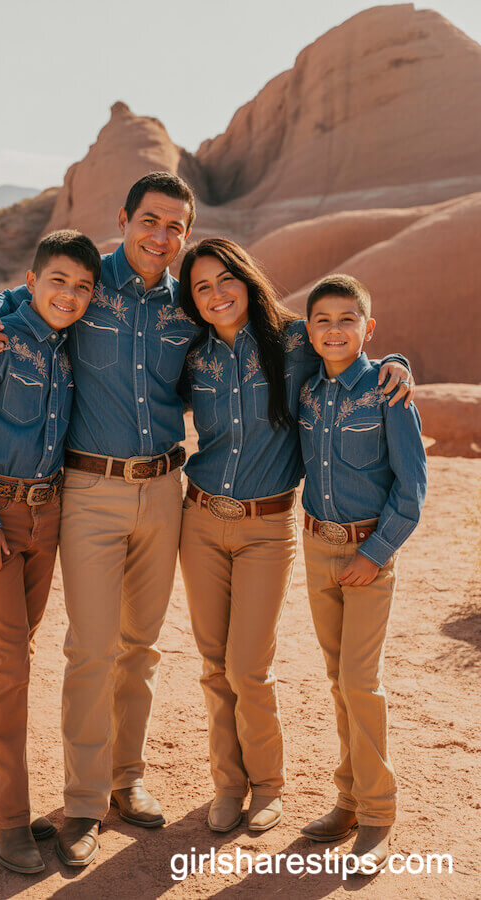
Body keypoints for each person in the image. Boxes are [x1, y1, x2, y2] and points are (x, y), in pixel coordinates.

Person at [0, 172, 198, 867]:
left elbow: (263, 338)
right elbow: (16, 300)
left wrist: (385, 357)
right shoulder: (88, 284)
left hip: (165, 488)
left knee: (142, 647)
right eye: (150, 220)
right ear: (124, 218)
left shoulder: (188, 306)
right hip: (88, 487)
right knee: (89, 650)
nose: (161, 236)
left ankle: (127, 781)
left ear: (186, 234)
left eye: (175, 226)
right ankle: (85, 803)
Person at [177, 239, 415, 834]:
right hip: (200, 519)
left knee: (250, 666)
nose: (216, 294)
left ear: (247, 278)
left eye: (226, 278)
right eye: (201, 286)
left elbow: (348, 350)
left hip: (269, 526)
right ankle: (228, 786)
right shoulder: (192, 353)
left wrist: (398, 363)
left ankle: (270, 787)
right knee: (214, 665)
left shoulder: (291, 343)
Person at [0, 230, 101, 874]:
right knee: (10, 660)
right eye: (56, 281)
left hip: (50, 513)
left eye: (82, 287)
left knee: (15, 650)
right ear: (32, 281)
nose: (69, 295)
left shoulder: (71, 344)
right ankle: (10, 819)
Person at [298, 274, 427, 874]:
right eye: (322, 319)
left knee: (359, 682)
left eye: (347, 319)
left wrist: (374, 554)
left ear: (368, 328)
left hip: (367, 555)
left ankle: (378, 812)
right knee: (336, 678)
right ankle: (347, 799)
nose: (334, 330)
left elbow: (413, 486)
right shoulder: (307, 392)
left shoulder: (387, 393)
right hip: (316, 548)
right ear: (310, 329)